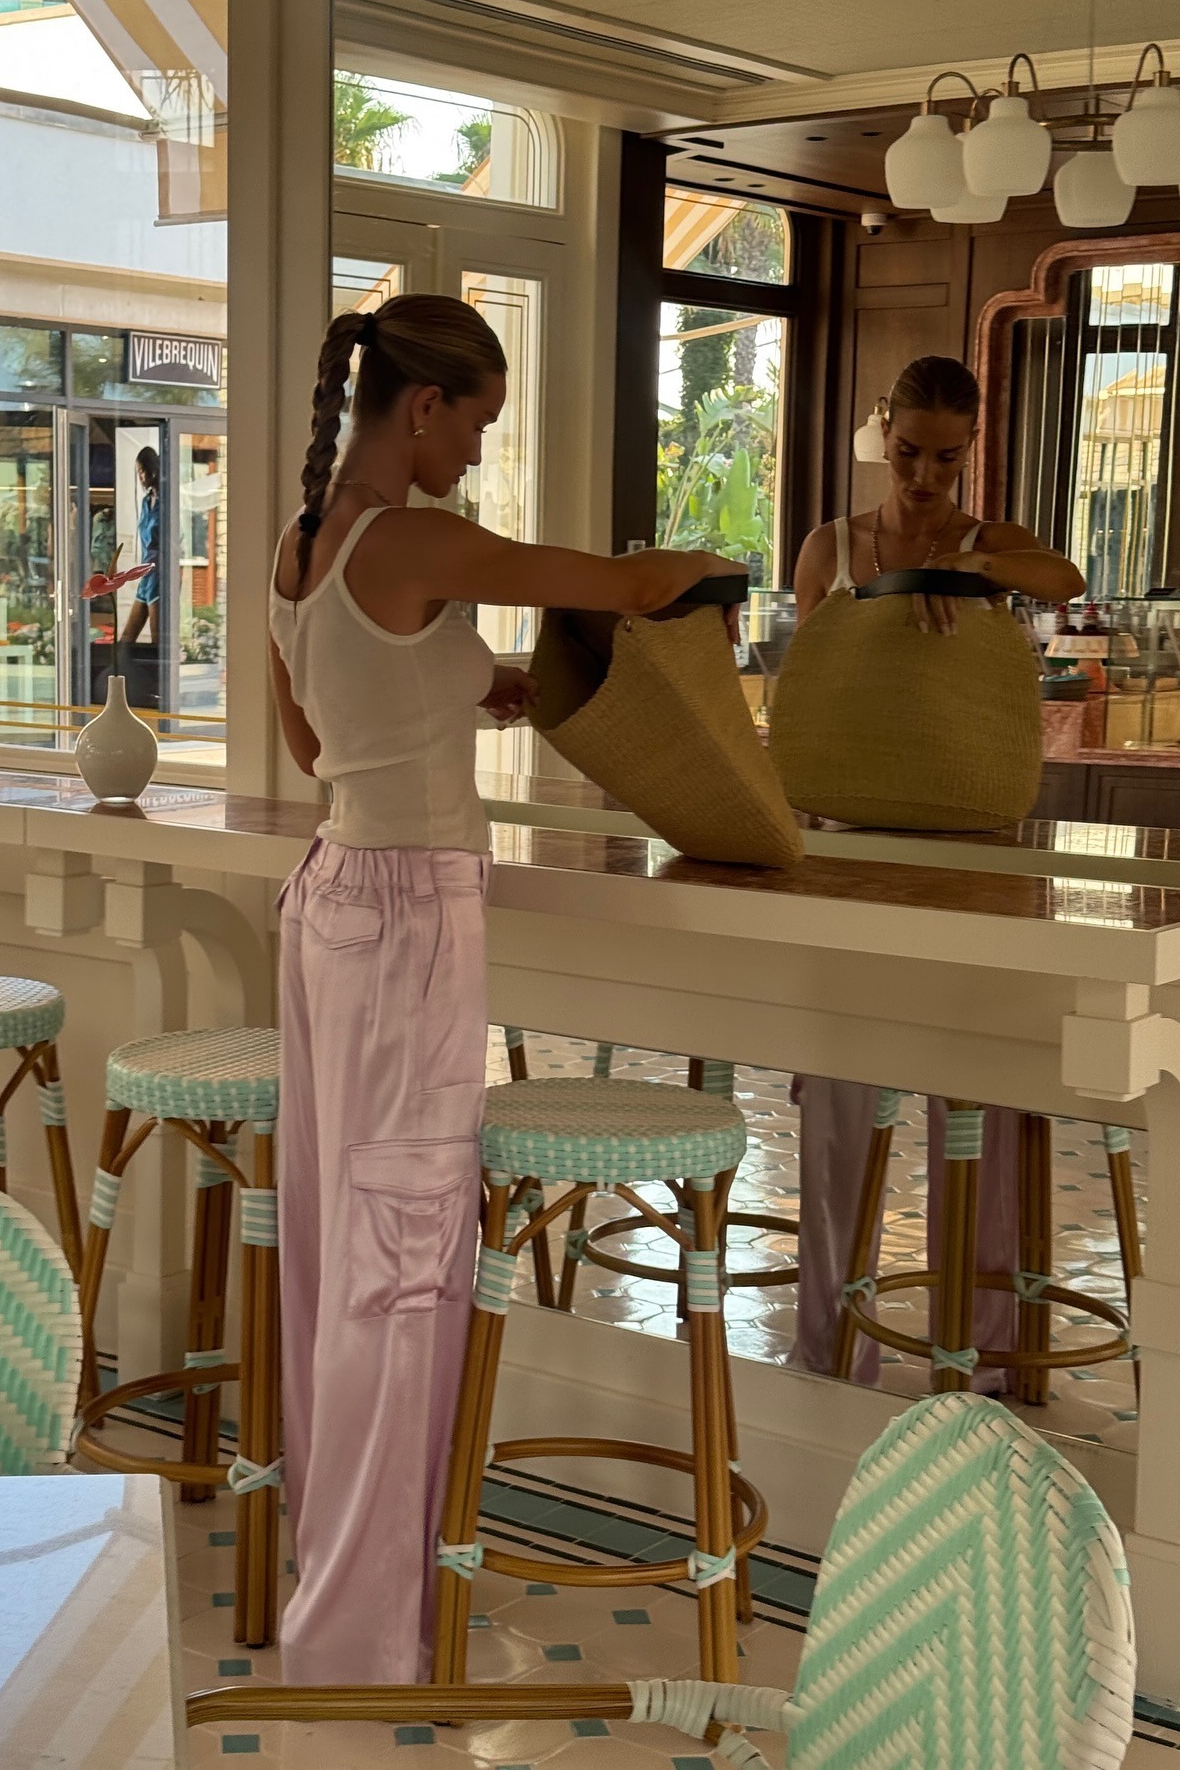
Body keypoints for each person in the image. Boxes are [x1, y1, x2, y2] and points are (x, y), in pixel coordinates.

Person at [269, 294, 738, 1685]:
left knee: (342, 1253)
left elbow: (315, 743)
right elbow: (631, 586)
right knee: (403, 1263)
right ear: (423, 407)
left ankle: (343, 1582)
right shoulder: (418, 539)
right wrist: (722, 567)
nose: (477, 450)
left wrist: (460, 694)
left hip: (331, 894)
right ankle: (363, 1639)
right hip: (411, 915)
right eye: (476, 422)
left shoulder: (304, 538)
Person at [787, 355, 1084, 1391]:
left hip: (973, 855)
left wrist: (972, 569)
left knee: (981, 1103)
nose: (923, 477)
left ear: (971, 448)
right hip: (846, 854)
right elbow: (812, 693)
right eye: (909, 452)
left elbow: (1066, 580)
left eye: (947, 459)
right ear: (884, 430)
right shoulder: (830, 547)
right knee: (837, 1103)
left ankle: (987, 1348)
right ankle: (833, 1350)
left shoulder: (992, 540)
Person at [120, 445, 161, 646]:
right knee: (126, 639)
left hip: (160, 575)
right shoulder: (146, 502)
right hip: (146, 574)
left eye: (143, 471)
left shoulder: (166, 502)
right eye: (138, 472)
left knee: (158, 641)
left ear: (153, 469)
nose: (141, 476)